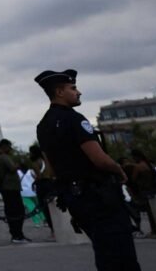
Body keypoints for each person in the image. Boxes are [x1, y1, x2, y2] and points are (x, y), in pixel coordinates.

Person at [35, 68, 141, 270]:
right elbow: (98, 158)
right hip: (98, 195)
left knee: (104, 251)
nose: (78, 92)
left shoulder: (43, 126)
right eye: (73, 88)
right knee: (122, 255)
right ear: (59, 92)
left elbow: (50, 168)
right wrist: (118, 169)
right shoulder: (75, 119)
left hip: (75, 198)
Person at [0, 139, 30, 243]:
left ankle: (16, 234)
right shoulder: (4, 157)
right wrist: (20, 163)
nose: (11, 149)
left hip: (6, 187)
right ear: (4, 147)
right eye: (9, 147)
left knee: (11, 210)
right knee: (17, 210)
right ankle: (17, 235)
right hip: (10, 187)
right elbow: (12, 168)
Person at [128, 150, 156, 239]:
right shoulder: (149, 165)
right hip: (152, 190)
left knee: (137, 210)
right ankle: (155, 230)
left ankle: (142, 229)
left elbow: (133, 179)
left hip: (143, 191)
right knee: (152, 212)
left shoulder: (138, 167)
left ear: (136, 157)